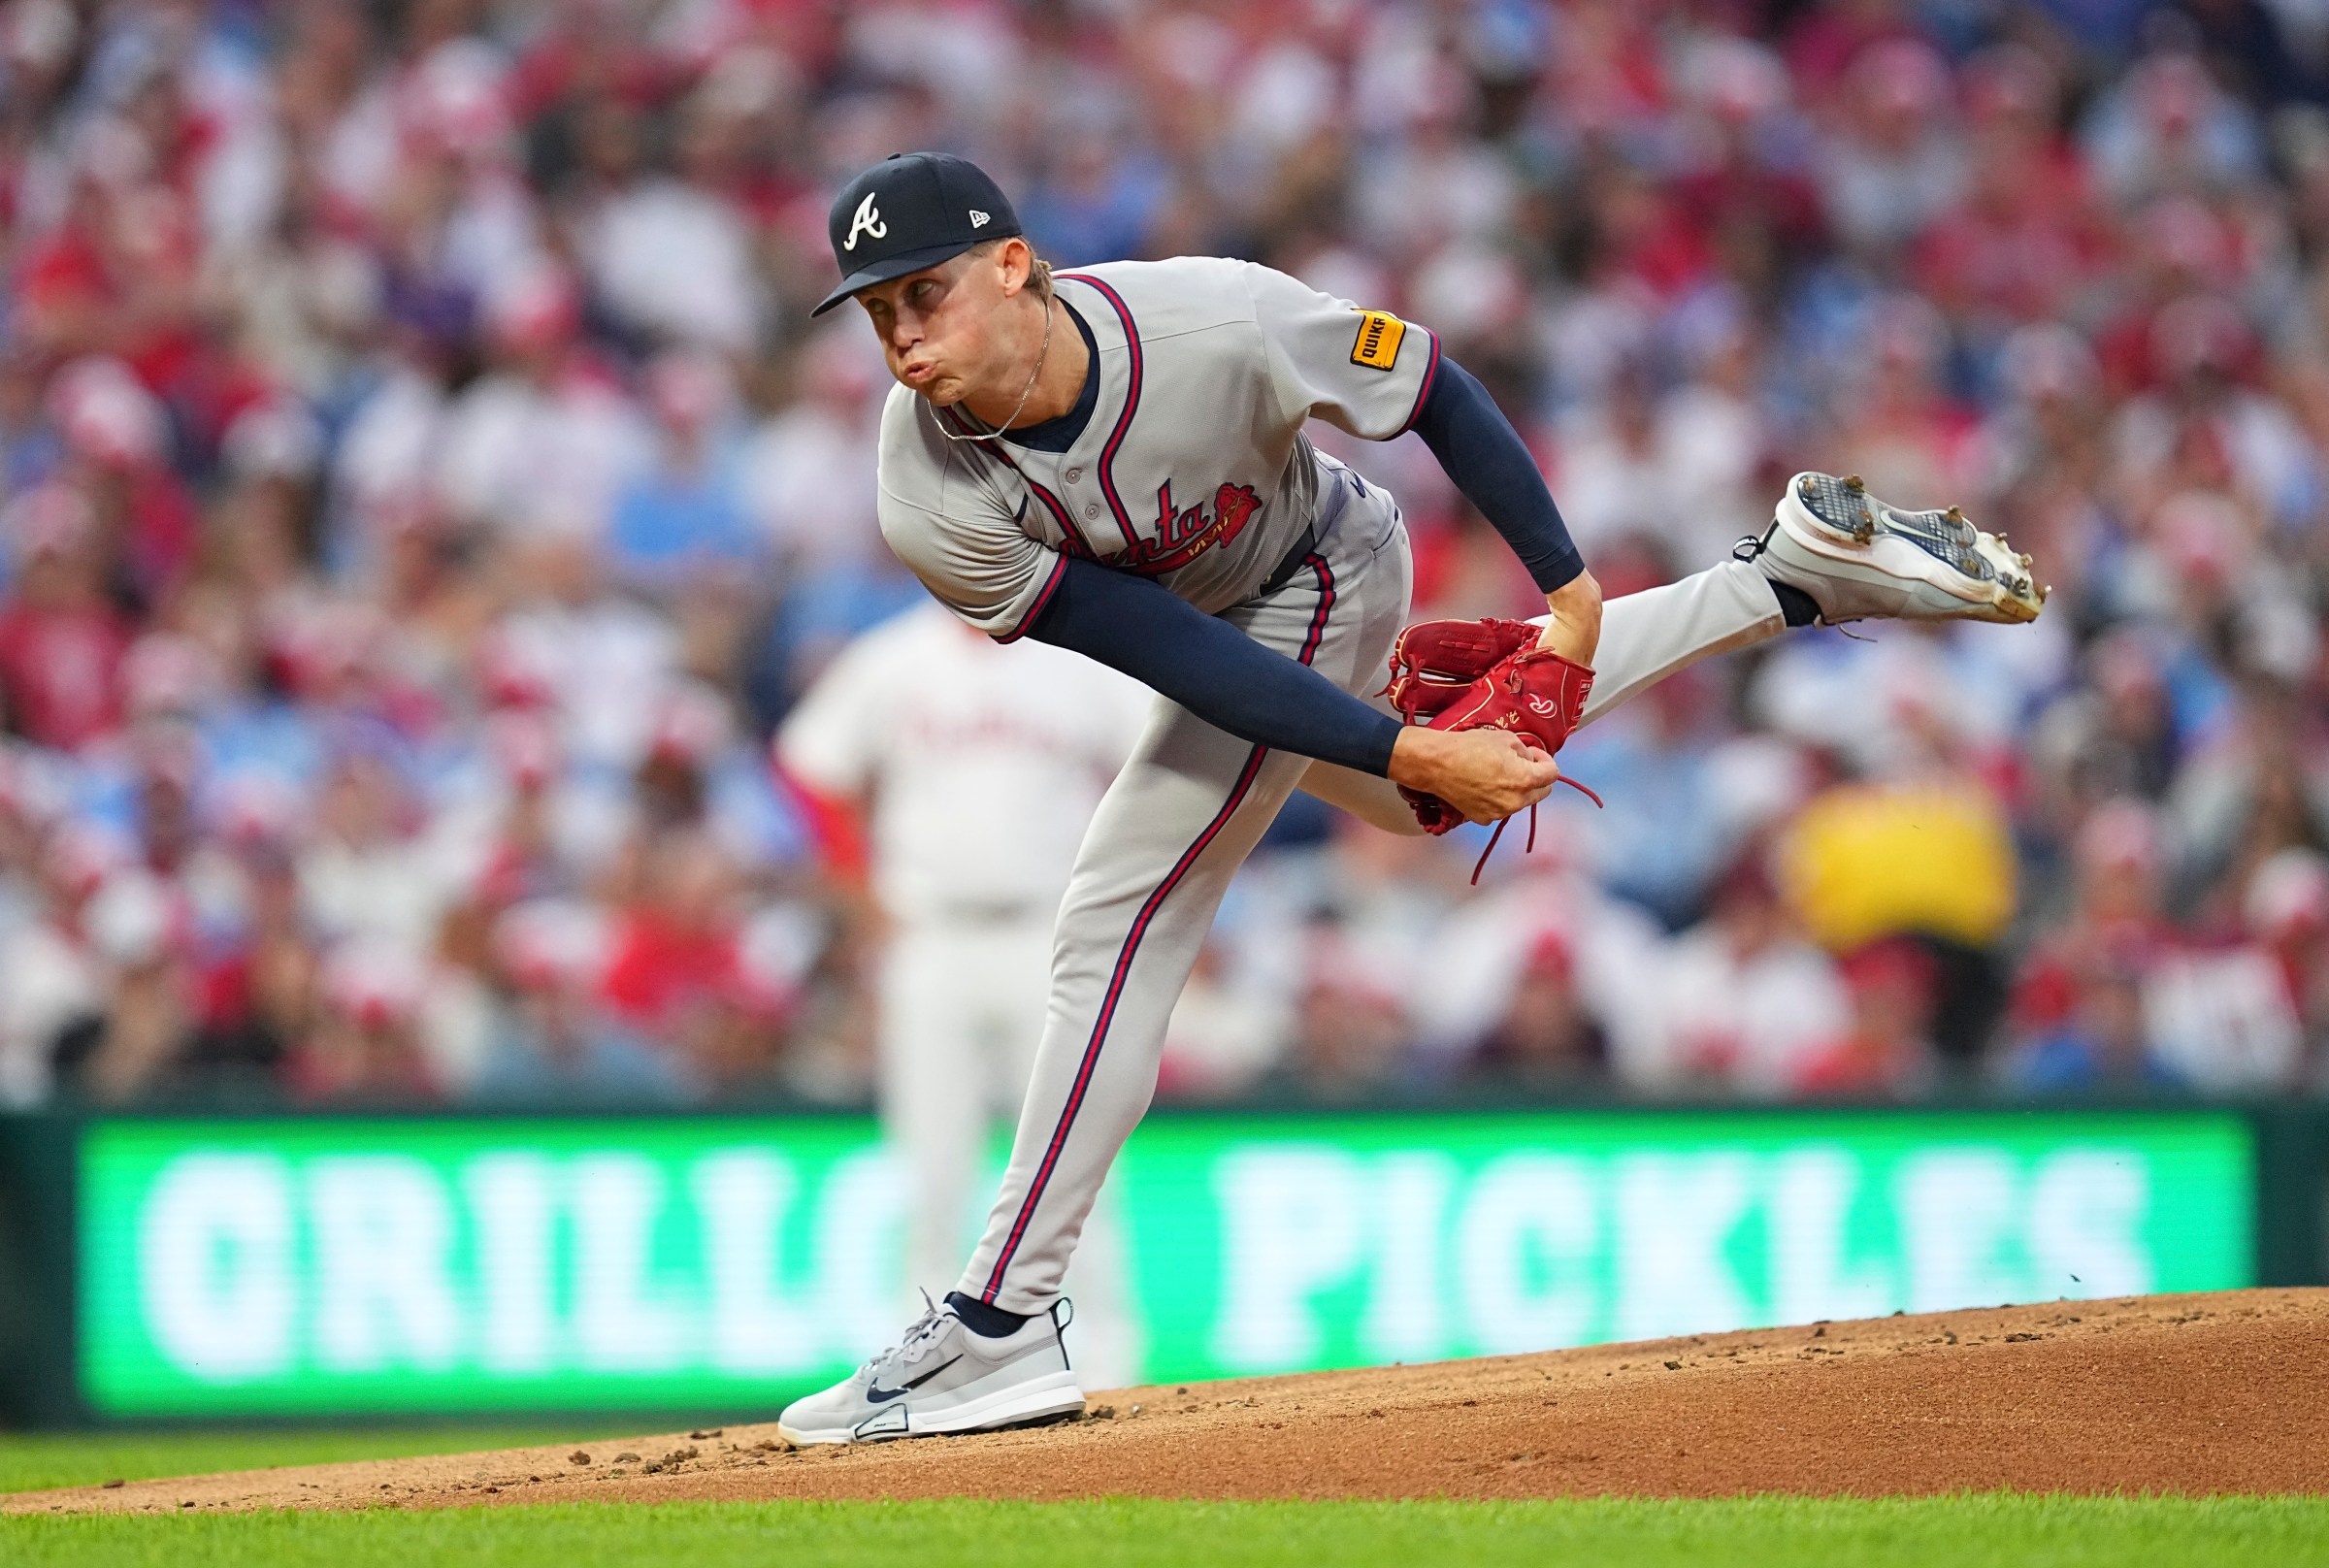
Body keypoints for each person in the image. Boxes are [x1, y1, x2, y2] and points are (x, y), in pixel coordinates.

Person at [776, 152, 2046, 1446]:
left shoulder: (1214, 317)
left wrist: (1566, 586)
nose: (903, 334)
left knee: (1119, 914)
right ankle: (1789, 576)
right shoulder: (924, 489)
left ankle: (998, 1319)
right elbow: (1176, 657)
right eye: (877, 311)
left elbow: (1431, 386)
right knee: (1418, 802)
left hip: (1324, 561)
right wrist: (1408, 759)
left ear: (1011, 263)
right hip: (1220, 630)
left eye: (923, 291)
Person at [776, 600, 1151, 1387]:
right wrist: (857, 888)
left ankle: (1107, 1360)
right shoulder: (894, 658)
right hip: (929, 933)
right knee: (931, 1162)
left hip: (1051, 933)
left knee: (1076, 1154)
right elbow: (810, 766)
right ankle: (915, 1369)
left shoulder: (1076, 655)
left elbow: (1161, 757)